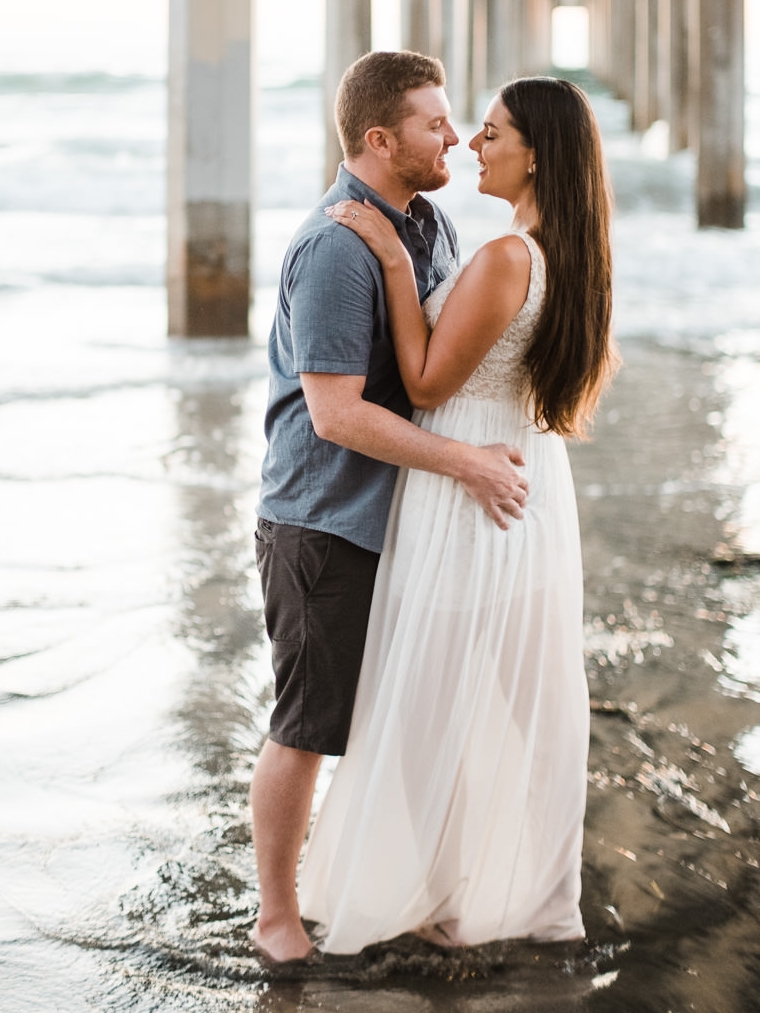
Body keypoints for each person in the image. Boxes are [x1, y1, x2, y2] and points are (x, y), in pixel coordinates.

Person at [297, 76, 619, 953]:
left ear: (536, 155)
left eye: (489, 133)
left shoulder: (510, 256)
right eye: (464, 129)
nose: (473, 146)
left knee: (433, 691)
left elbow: (431, 380)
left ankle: (462, 887)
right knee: (514, 698)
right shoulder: (553, 252)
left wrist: (396, 267)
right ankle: (499, 887)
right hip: (518, 474)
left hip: (472, 485)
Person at [251, 51, 531, 964]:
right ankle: (278, 917)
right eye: (433, 123)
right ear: (380, 139)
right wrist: (466, 463)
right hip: (328, 522)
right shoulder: (337, 244)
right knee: (308, 724)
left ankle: (404, 891)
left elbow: (435, 368)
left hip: (411, 524)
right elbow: (336, 414)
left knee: (410, 712)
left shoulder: (429, 227)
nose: (455, 136)